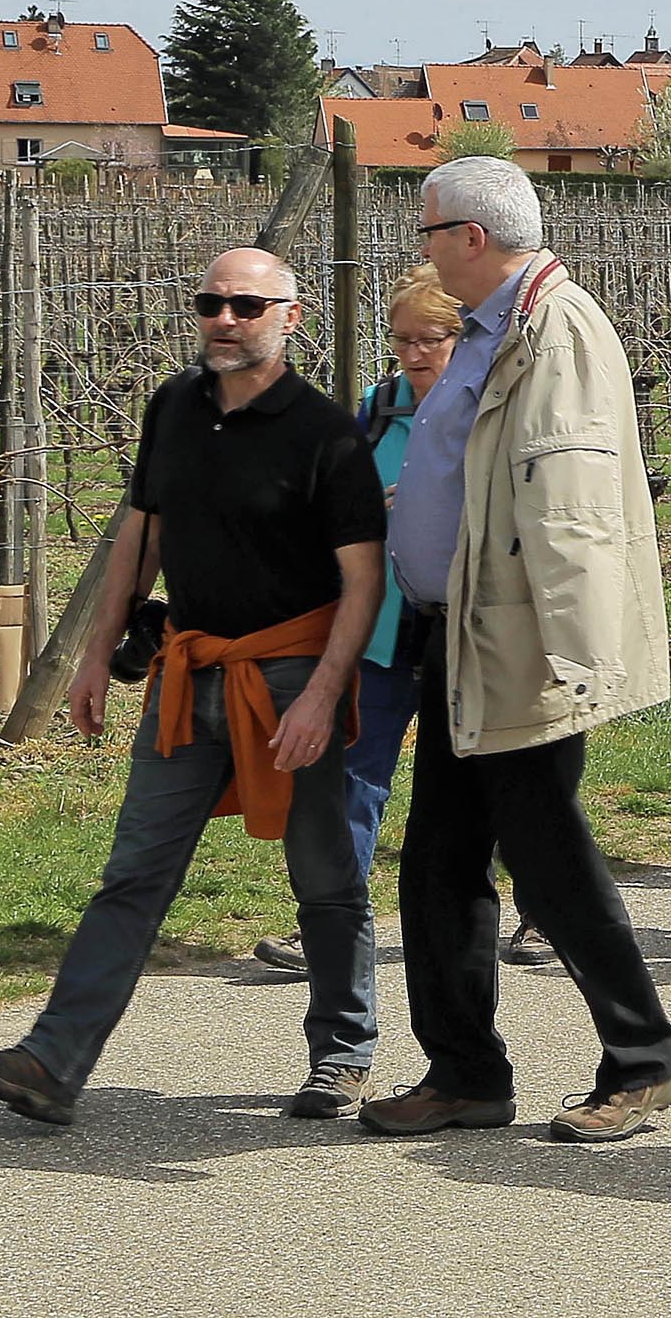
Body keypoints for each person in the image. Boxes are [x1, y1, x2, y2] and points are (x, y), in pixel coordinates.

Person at [0, 248, 385, 1127]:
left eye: (247, 307)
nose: (225, 320)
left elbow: (363, 582)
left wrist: (321, 694)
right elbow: (138, 539)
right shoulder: (173, 408)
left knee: (323, 873)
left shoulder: (326, 436)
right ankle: (52, 1062)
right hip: (188, 675)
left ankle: (343, 1051)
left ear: (289, 319)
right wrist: (93, 656)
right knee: (135, 872)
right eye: (210, 303)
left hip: (291, 675)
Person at [362, 156, 671, 1144]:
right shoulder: (495, 327)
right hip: (461, 631)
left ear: (471, 236)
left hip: (519, 638)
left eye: (427, 232)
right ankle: (465, 1072)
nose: (419, 248)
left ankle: (643, 1058)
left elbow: (572, 502)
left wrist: (573, 655)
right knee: (441, 863)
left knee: (546, 859)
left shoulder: (556, 327)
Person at [254, 265, 458, 976]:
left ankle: (535, 913)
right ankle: (331, 927)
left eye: (430, 338)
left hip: (469, 625)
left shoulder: (494, 408)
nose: (412, 354)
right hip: (384, 624)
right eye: (401, 339)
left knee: (490, 775)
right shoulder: (376, 411)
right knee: (357, 774)